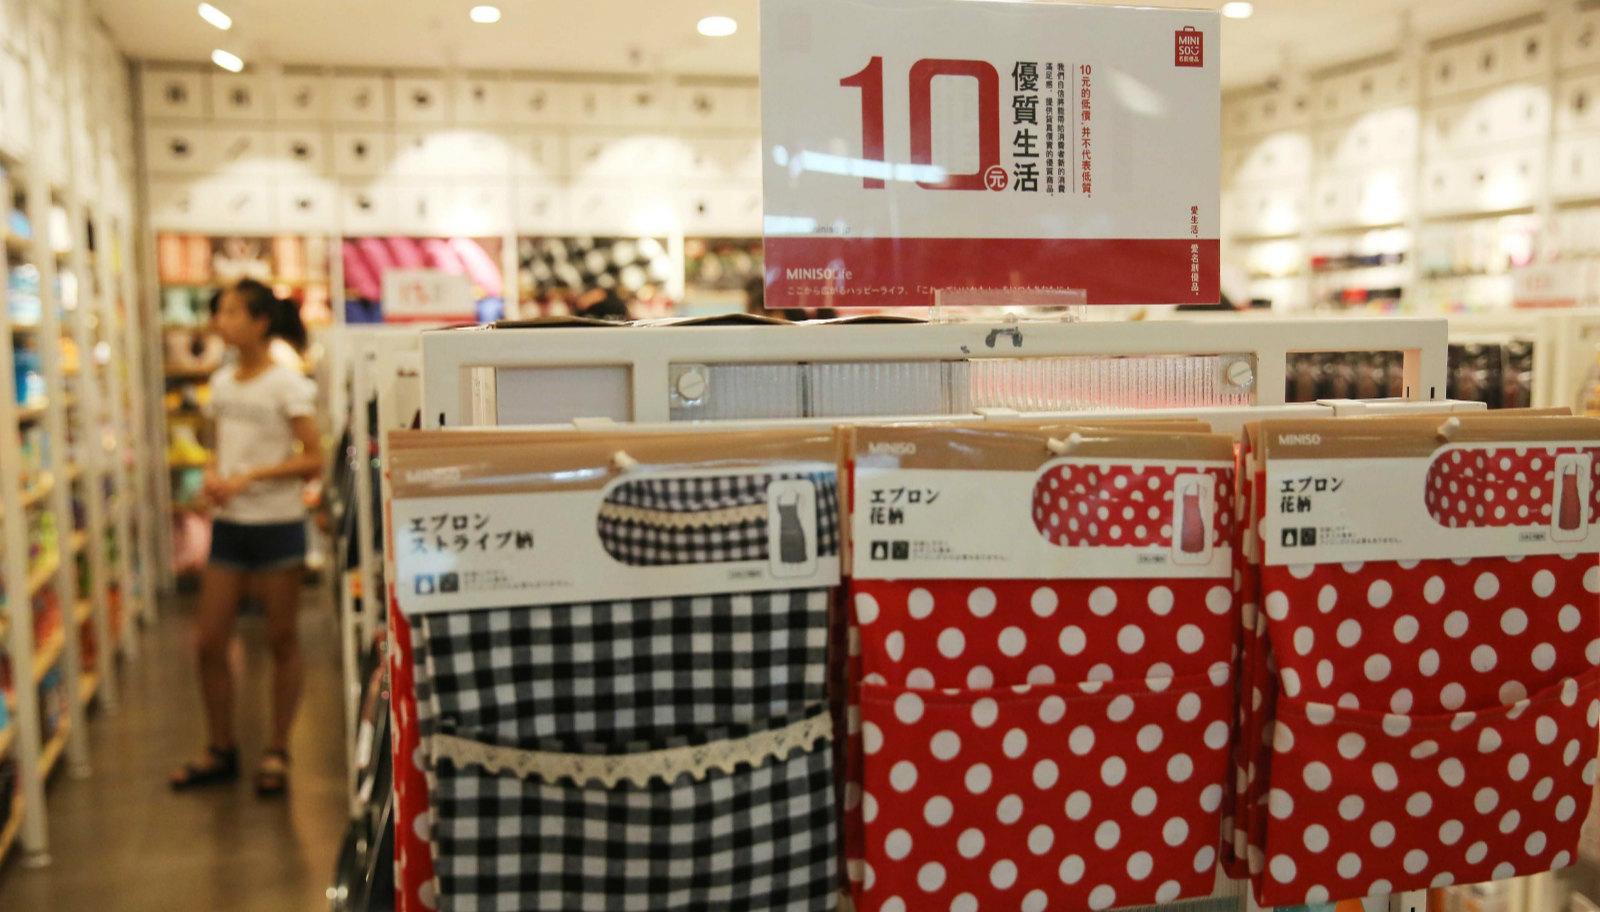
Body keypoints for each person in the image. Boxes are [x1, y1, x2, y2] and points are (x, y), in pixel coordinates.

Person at [171, 279, 323, 796]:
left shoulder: (287, 384)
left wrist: (251, 476)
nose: (222, 322)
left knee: (281, 638)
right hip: (231, 526)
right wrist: (214, 475)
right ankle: (221, 748)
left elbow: (314, 458)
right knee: (208, 642)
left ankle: (278, 749)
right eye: (221, 312)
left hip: (278, 523)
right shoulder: (222, 384)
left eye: (234, 313)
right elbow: (219, 446)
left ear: (261, 323)